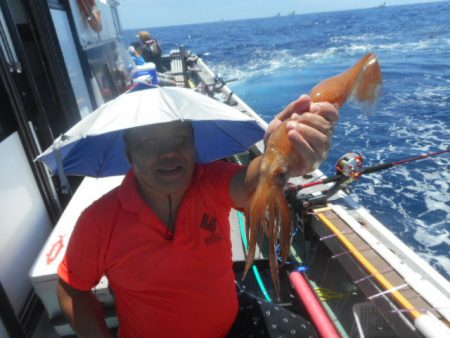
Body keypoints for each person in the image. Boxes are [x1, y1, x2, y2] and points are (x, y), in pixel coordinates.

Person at [56, 94, 339, 338]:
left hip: (231, 323)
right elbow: (73, 289)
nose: (168, 153)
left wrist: (277, 153)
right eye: (150, 143)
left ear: (194, 146)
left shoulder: (209, 182)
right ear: (130, 153)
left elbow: (251, 179)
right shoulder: (99, 221)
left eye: (179, 140)